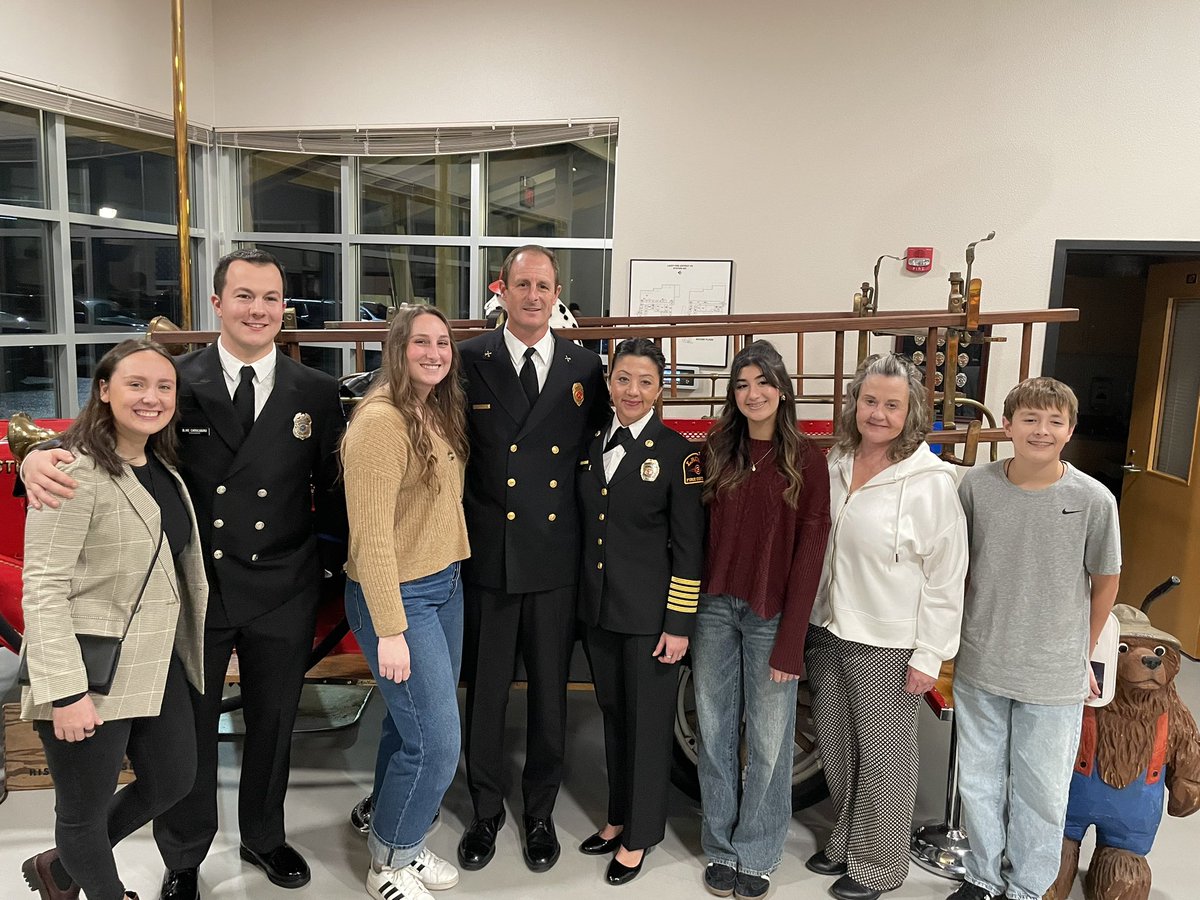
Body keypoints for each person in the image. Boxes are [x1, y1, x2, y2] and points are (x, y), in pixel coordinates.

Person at [21, 248, 347, 900]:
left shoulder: (316, 390)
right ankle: (184, 855)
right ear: (218, 304)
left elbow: (332, 493)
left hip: (284, 587)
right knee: (190, 738)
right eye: (244, 296)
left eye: (270, 298)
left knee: (274, 722)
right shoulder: (175, 379)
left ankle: (263, 834)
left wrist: (330, 579)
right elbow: (105, 435)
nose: (258, 309)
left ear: (284, 309)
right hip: (200, 593)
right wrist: (36, 456)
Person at [19, 339, 208, 900]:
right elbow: (44, 587)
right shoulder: (68, 472)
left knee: (175, 778)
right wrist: (66, 691)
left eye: (164, 386)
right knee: (83, 811)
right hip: (88, 669)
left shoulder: (162, 464)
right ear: (103, 390)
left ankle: (62, 866)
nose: (151, 397)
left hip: (153, 658)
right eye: (135, 384)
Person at [456, 244, 609, 873]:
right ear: (503, 290)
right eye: (522, 285)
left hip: (554, 559)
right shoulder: (469, 359)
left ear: (556, 293)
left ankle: (540, 811)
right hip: (489, 557)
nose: (534, 296)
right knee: (484, 696)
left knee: (551, 696)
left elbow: (598, 457)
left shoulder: (585, 366)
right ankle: (486, 810)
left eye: (544, 286)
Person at [947, 378, 1121, 900]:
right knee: (977, 781)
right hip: (982, 661)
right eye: (1029, 419)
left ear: (1070, 429)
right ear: (1007, 425)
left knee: (1041, 790)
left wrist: (1080, 652)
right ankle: (981, 874)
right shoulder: (975, 487)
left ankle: (1027, 886)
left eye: (1054, 421)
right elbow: (960, 567)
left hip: (1052, 673)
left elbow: (1106, 581)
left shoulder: (1094, 500)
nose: (1041, 431)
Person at [805, 352, 967, 900]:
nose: (877, 413)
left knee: (885, 763)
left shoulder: (931, 482)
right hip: (827, 625)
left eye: (891, 405)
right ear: (854, 404)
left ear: (911, 411)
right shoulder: (835, 460)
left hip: (890, 639)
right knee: (837, 746)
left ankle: (881, 866)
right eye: (869, 401)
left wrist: (930, 656)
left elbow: (948, 576)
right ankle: (848, 842)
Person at [692, 339, 831, 900]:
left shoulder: (809, 461)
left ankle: (758, 849)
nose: (753, 394)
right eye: (742, 384)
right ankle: (720, 845)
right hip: (712, 611)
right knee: (716, 729)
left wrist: (792, 640)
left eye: (763, 382)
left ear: (782, 389)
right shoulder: (714, 452)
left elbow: (810, 555)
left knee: (771, 740)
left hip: (772, 616)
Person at [341, 305, 471, 900]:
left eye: (443, 343)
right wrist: (390, 629)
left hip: (443, 585)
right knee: (438, 743)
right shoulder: (380, 423)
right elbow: (370, 539)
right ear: (397, 347)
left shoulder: (432, 409)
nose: (435, 353)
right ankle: (391, 861)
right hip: (397, 596)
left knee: (409, 723)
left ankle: (391, 828)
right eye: (421, 342)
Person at [576, 338, 705, 886]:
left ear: (660, 389)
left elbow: (690, 548)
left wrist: (678, 625)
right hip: (600, 613)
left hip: (651, 620)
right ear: (610, 383)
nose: (633, 391)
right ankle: (617, 815)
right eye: (623, 378)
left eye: (645, 381)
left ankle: (641, 835)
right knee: (614, 717)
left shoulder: (679, 455)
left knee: (649, 727)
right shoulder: (589, 444)